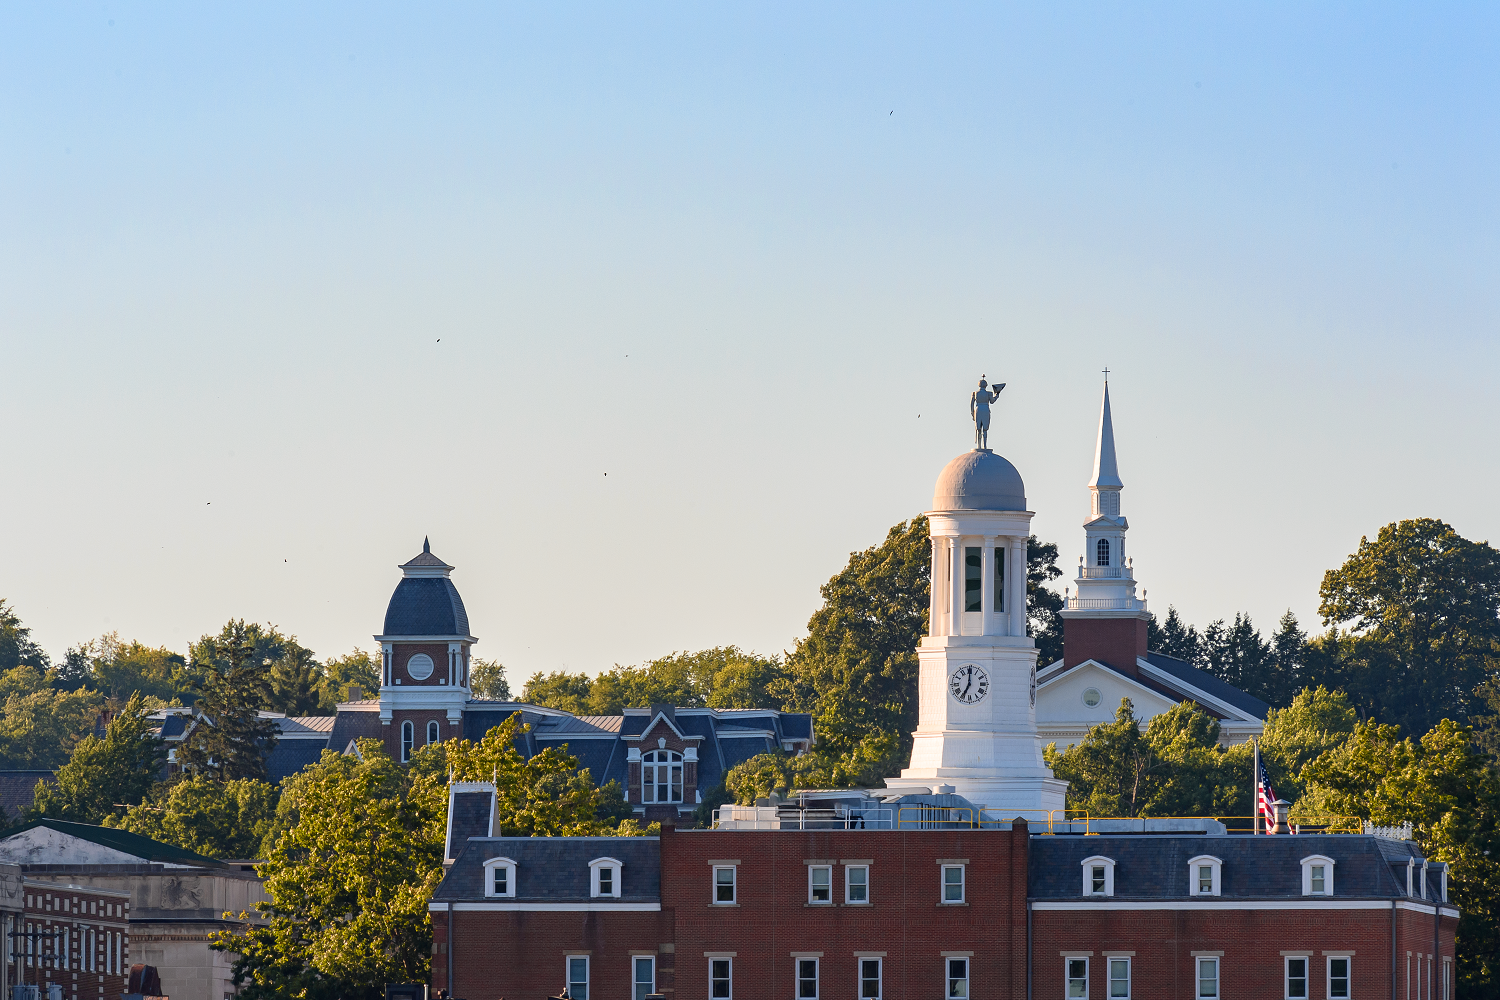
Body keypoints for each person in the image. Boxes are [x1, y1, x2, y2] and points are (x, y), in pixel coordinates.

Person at [970, 376, 1005, 449]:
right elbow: (992, 401)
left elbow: (971, 404)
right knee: (985, 429)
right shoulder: (989, 393)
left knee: (978, 428)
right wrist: (997, 395)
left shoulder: (975, 393)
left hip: (978, 410)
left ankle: (979, 446)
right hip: (985, 409)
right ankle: (984, 445)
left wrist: (972, 413)